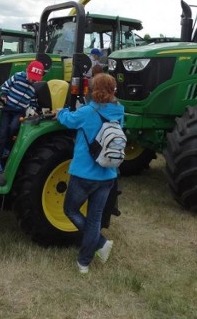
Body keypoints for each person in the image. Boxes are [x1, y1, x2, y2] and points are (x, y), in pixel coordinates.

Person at [57, 73, 123, 274]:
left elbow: (67, 120)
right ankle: (84, 263)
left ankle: (101, 243)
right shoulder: (119, 110)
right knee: (94, 218)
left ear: (93, 90)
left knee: (70, 210)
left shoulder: (87, 111)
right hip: (108, 174)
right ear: (113, 90)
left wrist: (60, 111)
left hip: (84, 173)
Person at [0, 61, 44, 173]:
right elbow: (6, 86)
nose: (33, 80)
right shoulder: (18, 77)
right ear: (27, 71)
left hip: (19, 111)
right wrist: (4, 96)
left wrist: (33, 110)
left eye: (35, 79)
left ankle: (6, 148)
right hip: (7, 108)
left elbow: (33, 100)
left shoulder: (34, 86)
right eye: (32, 77)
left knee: (14, 128)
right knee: (2, 132)